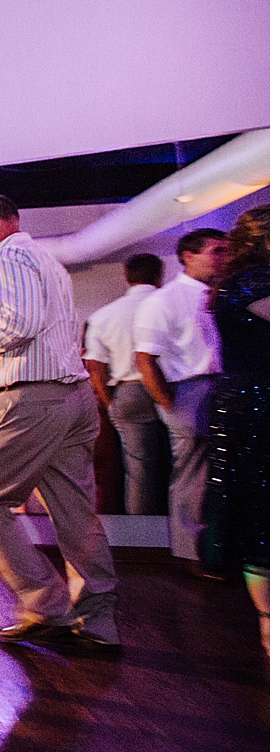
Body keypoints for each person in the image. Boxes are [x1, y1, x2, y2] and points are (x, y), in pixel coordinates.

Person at [0, 193, 119, 650]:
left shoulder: (5, 258)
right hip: (71, 397)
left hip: (27, 399)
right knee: (75, 512)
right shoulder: (46, 260)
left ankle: (45, 604)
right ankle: (97, 621)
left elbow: (16, 324)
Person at [134, 228, 231, 574]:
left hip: (228, 386)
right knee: (194, 474)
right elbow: (145, 359)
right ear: (189, 256)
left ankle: (223, 549)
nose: (224, 258)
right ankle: (192, 554)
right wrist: (171, 407)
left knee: (222, 473)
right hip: (190, 389)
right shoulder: (165, 300)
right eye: (216, 251)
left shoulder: (227, 293)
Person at [205, 206, 268, 651]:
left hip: (243, 402)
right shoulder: (254, 282)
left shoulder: (231, 284)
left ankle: (267, 622)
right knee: (260, 511)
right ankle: (269, 625)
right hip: (256, 405)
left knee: (255, 510)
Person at [82, 253, 168, 514]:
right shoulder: (167, 304)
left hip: (127, 390)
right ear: (158, 275)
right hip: (170, 386)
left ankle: (140, 539)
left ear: (126, 277)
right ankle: (179, 534)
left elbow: (95, 367)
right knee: (180, 464)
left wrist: (110, 403)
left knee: (139, 469)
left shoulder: (103, 315)